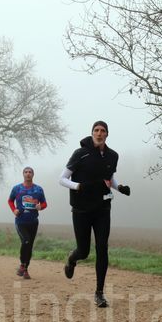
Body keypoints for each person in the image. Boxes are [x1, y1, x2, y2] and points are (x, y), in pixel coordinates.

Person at [59, 120, 131, 307]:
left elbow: (109, 177)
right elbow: (62, 179)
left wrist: (120, 187)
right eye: (96, 130)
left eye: (103, 130)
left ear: (107, 134)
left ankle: (99, 293)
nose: (99, 133)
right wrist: (79, 186)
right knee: (83, 251)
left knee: (102, 248)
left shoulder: (112, 156)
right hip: (81, 209)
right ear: (92, 133)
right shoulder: (80, 154)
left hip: (102, 208)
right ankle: (72, 258)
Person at [8, 167, 47, 279]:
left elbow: (44, 203)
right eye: (26, 172)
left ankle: (25, 269)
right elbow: (10, 200)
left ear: (33, 174)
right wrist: (14, 210)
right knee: (26, 240)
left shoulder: (38, 189)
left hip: (33, 222)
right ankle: (22, 265)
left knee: (29, 246)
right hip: (20, 221)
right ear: (23, 174)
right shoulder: (17, 188)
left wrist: (40, 207)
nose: (28, 174)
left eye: (30, 172)